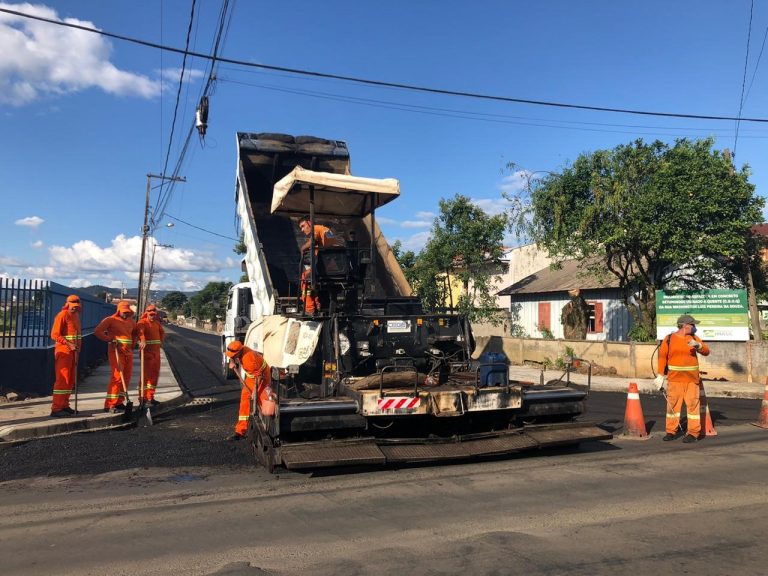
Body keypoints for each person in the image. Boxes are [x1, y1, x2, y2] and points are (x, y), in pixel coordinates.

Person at [655, 314, 710, 444]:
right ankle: (671, 431)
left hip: (692, 380)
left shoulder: (694, 338)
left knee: (693, 407)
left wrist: (699, 346)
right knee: (672, 407)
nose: (695, 327)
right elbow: (662, 357)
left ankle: (693, 433)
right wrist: (660, 375)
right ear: (685, 326)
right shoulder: (669, 339)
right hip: (674, 380)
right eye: (693, 325)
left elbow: (707, 351)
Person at [95, 301, 138, 413]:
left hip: (128, 352)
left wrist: (134, 344)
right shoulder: (110, 320)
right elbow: (98, 331)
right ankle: (110, 405)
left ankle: (119, 402)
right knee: (117, 377)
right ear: (118, 311)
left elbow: (136, 333)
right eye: (124, 312)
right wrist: (110, 339)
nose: (125, 314)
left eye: (127, 312)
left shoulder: (131, 322)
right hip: (116, 352)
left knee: (127, 377)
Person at [225, 340, 272, 441]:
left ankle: (269, 430)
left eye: (233, 355)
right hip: (251, 377)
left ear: (239, 352)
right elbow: (232, 356)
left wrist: (255, 392)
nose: (231, 356)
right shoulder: (240, 351)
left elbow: (259, 377)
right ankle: (240, 431)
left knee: (263, 401)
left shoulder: (249, 359)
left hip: (262, 377)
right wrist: (233, 362)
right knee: (244, 400)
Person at [49, 294, 82, 417]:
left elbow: (77, 336)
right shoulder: (62, 315)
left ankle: (64, 405)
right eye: (72, 306)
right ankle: (56, 408)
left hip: (74, 353)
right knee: (62, 379)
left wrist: (77, 349)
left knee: (70, 380)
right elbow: (54, 334)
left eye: (76, 306)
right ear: (67, 304)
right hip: (64, 351)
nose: (74, 308)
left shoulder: (76, 317)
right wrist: (69, 344)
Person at [137, 304, 165, 406]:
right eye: (151, 314)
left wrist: (160, 342)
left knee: (154, 376)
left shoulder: (157, 324)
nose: (152, 316)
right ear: (147, 313)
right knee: (145, 377)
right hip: (147, 353)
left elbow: (162, 333)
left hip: (156, 353)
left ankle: (150, 397)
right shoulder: (142, 322)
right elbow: (140, 332)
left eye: (154, 314)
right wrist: (143, 340)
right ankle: (142, 398)